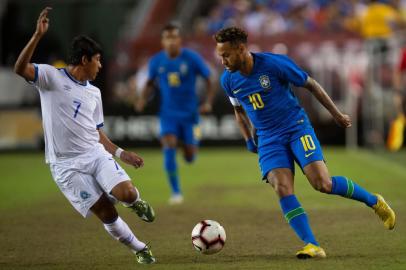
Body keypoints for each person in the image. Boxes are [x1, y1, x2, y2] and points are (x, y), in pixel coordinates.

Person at [214, 27, 396, 259]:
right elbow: (238, 111)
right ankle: (312, 244)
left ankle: (374, 201)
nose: (222, 61)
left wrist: (336, 114)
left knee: (322, 184)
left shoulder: (274, 64)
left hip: (296, 128)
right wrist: (249, 138)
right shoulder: (228, 80)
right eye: (220, 55)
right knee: (282, 188)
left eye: (226, 54)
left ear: (241, 48)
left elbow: (311, 85)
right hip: (269, 138)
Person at [14, 7, 156, 264]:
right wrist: (37, 36)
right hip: (65, 165)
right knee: (106, 211)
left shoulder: (94, 93)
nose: (100, 65)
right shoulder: (51, 78)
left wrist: (122, 154)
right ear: (84, 60)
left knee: (127, 194)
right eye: (98, 60)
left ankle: (136, 202)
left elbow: (97, 133)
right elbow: (20, 68)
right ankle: (140, 248)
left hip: (94, 154)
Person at [135, 23, 215, 205]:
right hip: (168, 114)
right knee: (168, 144)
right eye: (167, 38)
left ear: (179, 40)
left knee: (189, 157)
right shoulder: (156, 61)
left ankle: (185, 143)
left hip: (191, 115)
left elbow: (209, 78)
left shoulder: (192, 58)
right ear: (163, 41)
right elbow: (149, 82)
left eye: (174, 37)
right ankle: (176, 192)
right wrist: (142, 99)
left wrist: (208, 102)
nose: (171, 41)